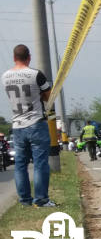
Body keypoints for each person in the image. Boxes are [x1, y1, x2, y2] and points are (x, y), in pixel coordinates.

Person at [1, 44, 55, 207]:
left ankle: (24, 200)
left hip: (17, 125)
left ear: (14, 58)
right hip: (35, 123)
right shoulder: (36, 74)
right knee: (40, 164)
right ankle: (41, 199)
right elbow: (48, 97)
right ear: (29, 57)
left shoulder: (5, 76)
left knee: (20, 165)